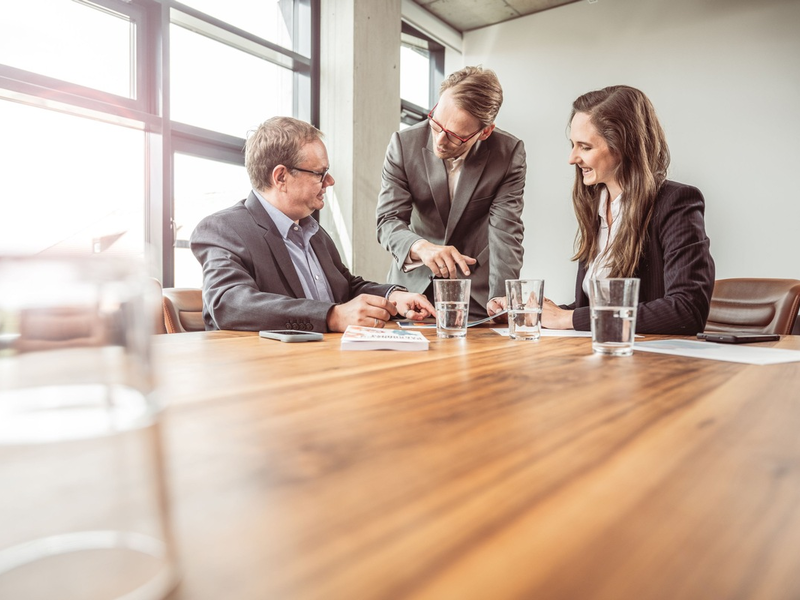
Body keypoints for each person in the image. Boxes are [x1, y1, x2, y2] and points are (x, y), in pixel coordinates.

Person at [491, 85, 714, 334]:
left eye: (585, 147)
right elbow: (600, 308)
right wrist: (532, 313)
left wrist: (568, 318)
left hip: (653, 363)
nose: (572, 158)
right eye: (572, 145)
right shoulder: (596, 205)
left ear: (623, 147)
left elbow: (686, 310)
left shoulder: (675, 202)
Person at [191, 117, 435, 332]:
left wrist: (394, 296)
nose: (330, 181)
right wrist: (331, 316)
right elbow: (229, 304)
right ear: (281, 177)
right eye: (320, 173)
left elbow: (346, 287)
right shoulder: (223, 229)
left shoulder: (312, 231)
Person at [376, 66, 526, 320]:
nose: (440, 141)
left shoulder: (508, 153)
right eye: (436, 124)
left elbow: (505, 231)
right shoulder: (403, 144)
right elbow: (387, 221)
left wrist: (501, 297)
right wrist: (422, 248)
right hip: (412, 293)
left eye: (455, 136)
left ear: (485, 132)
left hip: (476, 296)